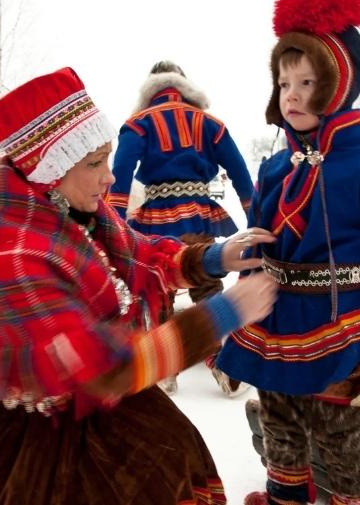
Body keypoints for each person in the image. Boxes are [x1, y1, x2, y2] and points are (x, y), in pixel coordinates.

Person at [0, 67, 279, 505]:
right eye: (94, 163)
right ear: (50, 169)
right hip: (29, 435)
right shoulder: (16, 258)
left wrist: (215, 256)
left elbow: (140, 255)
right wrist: (224, 313)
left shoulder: (73, 211)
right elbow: (106, 370)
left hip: (93, 396)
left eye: (108, 158)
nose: (110, 177)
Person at [214, 1, 360, 504]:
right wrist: (237, 304)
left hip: (344, 325)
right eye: (284, 83)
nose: (291, 95)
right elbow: (257, 246)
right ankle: (285, 496)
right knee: (280, 428)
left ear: (338, 85)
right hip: (274, 322)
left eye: (307, 83)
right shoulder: (275, 168)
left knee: (342, 438)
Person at [106, 60, 256, 396]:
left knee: (160, 283)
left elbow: (122, 172)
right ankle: (221, 363)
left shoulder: (138, 123)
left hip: (156, 217)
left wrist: (112, 222)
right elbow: (239, 170)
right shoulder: (209, 123)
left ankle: (165, 369)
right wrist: (255, 216)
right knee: (205, 280)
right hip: (199, 214)